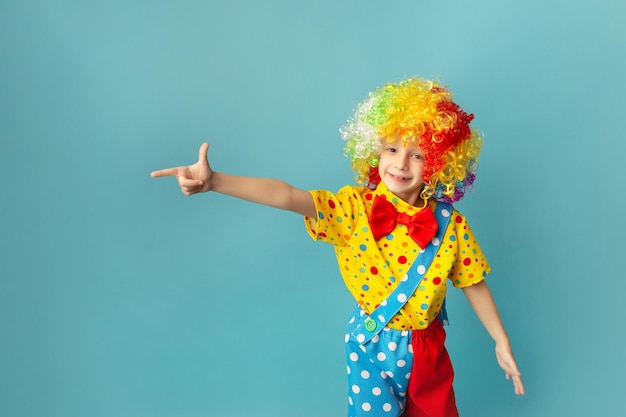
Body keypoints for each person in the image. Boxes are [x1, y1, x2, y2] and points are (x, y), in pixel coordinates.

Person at [151, 77, 525, 417]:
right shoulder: (351, 209)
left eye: (418, 154)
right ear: (374, 152)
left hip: (428, 347)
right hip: (370, 346)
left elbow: (472, 281)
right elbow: (286, 196)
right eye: (392, 149)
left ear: (440, 162)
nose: (401, 163)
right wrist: (216, 181)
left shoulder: (450, 224)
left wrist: (501, 340)